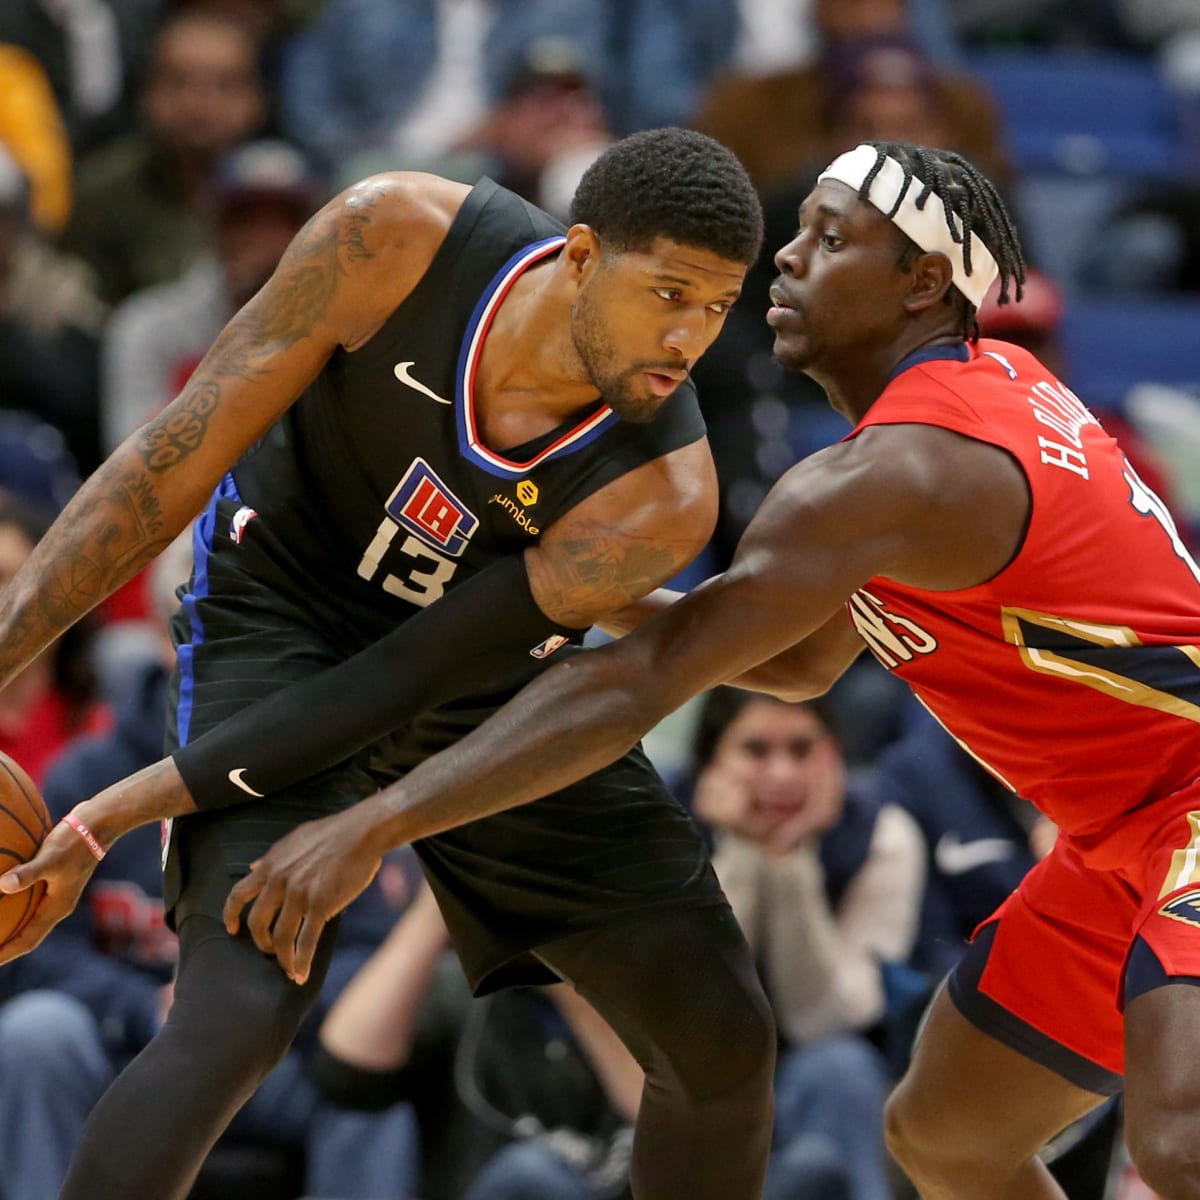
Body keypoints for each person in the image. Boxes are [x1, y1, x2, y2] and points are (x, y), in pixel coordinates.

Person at [41, 137, 1200, 1200]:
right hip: (1120, 835)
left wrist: (373, 824)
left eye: (828, 239)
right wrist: (580, 581)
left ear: (919, 288)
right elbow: (797, 658)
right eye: (794, 234)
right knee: (947, 1136)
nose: (784, 262)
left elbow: (636, 679)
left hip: (1188, 805)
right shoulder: (955, 421)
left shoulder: (882, 476)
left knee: (1176, 1136)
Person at [0, 126, 773, 1200]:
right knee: (238, 1012)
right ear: (583, 255)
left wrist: (110, 820)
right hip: (279, 612)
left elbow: (410, 681)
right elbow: (163, 465)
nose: (690, 337)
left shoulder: (661, 493)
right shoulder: (395, 237)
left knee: (722, 1037)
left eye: (718, 307)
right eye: (671, 293)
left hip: (468, 680)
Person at [688, 687, 924, 1200]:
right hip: (684, 1066)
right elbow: (695, 1012)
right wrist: (741, 856)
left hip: (817, 1071)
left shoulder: (883, 832)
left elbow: (820, 1018)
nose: (782, 775)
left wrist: (787, 863)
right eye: (755, 751)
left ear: (834, 755)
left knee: (839, 1067)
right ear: (710, 761)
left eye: (802, 750)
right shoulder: (661, 823)